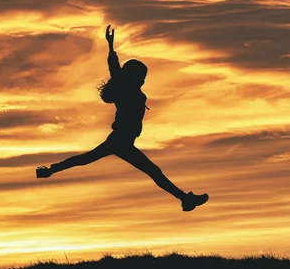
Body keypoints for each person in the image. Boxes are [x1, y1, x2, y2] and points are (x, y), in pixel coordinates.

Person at [36, 25, 209, 212]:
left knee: (91, 160)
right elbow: (115, 71)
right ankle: (184, 199)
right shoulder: (126, 90)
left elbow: (116, 73)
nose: (144, 78)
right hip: (121, 140)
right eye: (142, 75)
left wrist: (111, 47)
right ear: (134, 76)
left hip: (124, 142)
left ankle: (48, 171)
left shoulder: (132, 91)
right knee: (151, 171)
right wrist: (110, 47)